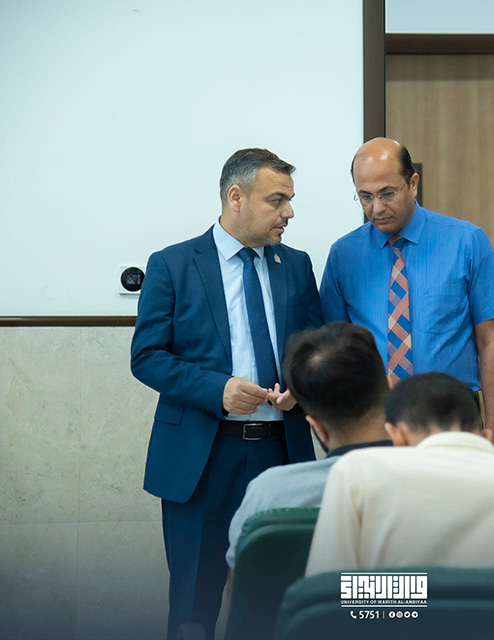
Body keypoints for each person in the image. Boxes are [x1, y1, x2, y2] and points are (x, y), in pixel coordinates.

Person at [130, 148, 322, 640]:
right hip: (203, 457)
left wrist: (300, 389)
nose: (289, 212)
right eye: (277, 200)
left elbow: (316, 350)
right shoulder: (173, 264)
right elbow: (146, 356)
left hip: (282, 454)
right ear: (236, 197)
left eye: (290, 200)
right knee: (194, 604)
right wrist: (218, 389)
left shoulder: (296, 265)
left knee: (280, 600)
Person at [306, 372, 494, 616]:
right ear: (485, 436)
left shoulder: (356, 472)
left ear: (396, 435)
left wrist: (414, 593)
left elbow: (328, 595)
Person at [319, 138, 494, 442]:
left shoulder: (466, 242)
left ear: (413, 184)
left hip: (452, 416)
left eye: (388, 193)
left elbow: (491, 342)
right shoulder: (343, 255)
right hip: (372, 420)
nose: (377, 208)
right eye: (365, 197)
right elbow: (335, 350)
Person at [225, 321, 391, 570]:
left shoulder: (268, 495)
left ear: (317, 426)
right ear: (391, 388)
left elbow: (243, 585)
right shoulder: (441, 479)